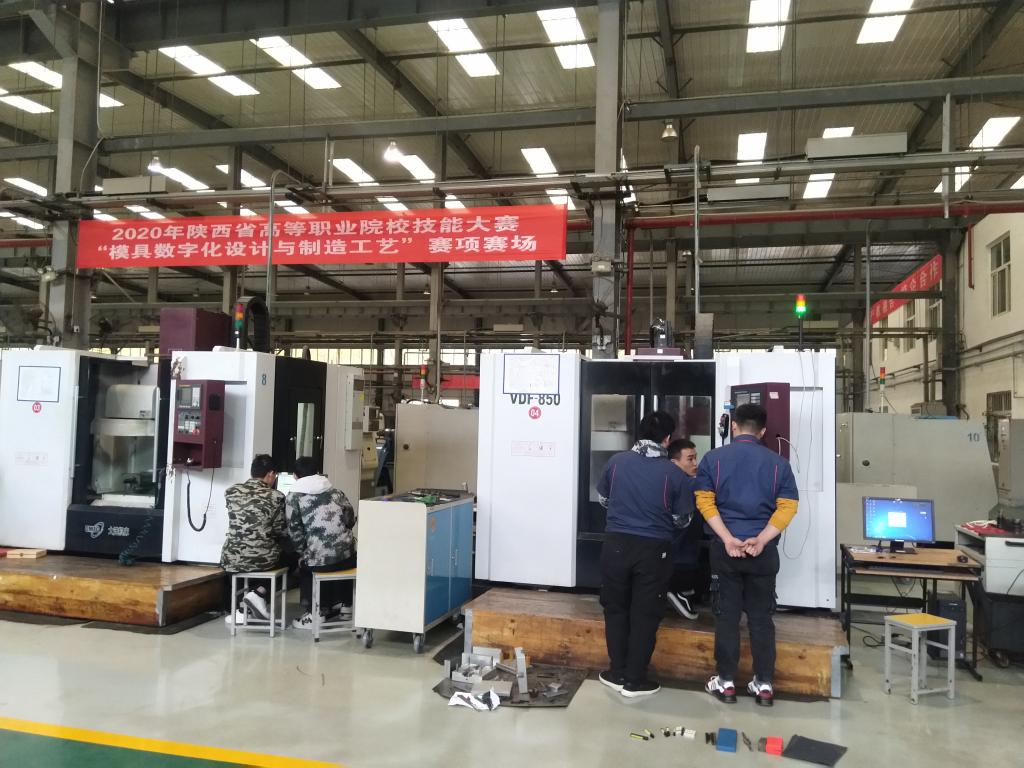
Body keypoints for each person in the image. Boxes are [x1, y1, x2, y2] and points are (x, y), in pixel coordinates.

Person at [695, 403, 799, 708]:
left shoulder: (713, 459)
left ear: (734, 426)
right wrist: (762, 539)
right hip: (762, 554)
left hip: (725, 552)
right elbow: (788, 507)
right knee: (761, 619)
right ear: (763, 431)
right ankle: (764, 684)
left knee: (726, 617)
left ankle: (726, 682)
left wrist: (728, 538)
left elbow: (704, 502)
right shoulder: (779, 464)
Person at [596, 411, 695, 698]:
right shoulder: (673, 474)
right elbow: (682, 519)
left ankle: (616, 673)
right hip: (654, 550)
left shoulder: (616, 462)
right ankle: (635, 681)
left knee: (615, 608)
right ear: (667, 439)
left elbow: (604, 499)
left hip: (615, 544)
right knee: (645, 614)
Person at [284, 456, 358, 629]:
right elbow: (350, 520)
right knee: (341, 553)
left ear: (295, 476)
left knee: (305, 563)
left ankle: (315, 613)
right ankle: (346, 605)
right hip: (349, 558)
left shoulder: (294, 497)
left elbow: (295, 533)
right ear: (318, 472)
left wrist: (303, 552)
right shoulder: (336, 492)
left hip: (319, 563)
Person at [220, 454, 287, 623]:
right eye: (275, 475)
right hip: (261, 559)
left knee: (239, 555)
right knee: (290, 555)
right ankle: (259, 593)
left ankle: (240, 609)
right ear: (270, 474)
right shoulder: (277, 497)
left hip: (230, 557)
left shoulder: (231, 492)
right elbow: (279, 530)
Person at [666, 438, 702, 620]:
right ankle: (674, 589)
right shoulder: (687, 484)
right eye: (690, 459)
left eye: (696, 458)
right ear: (674, 463)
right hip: (677, 554)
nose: (695, 463)